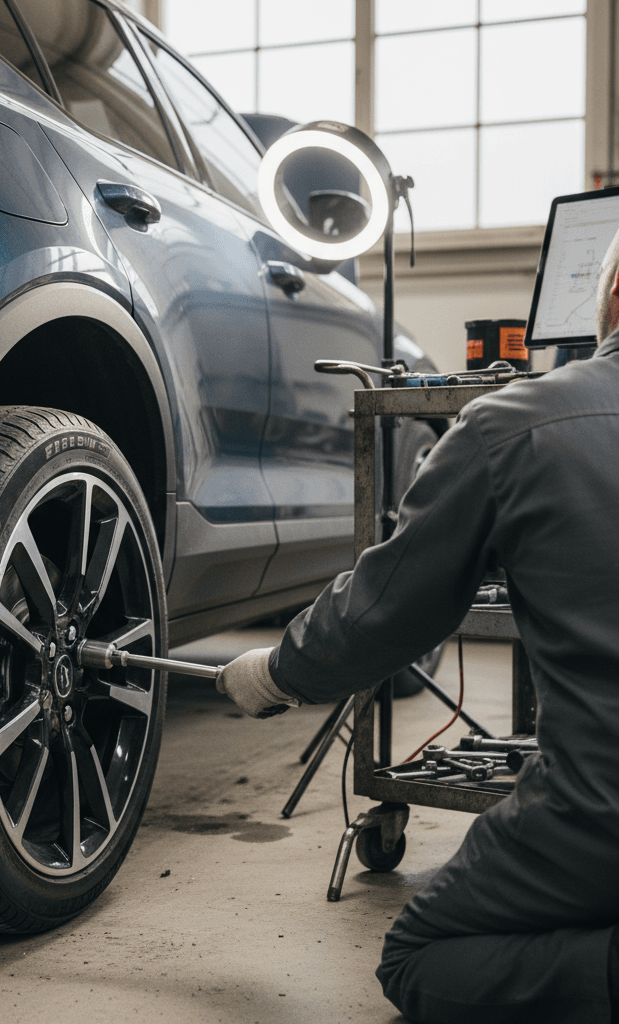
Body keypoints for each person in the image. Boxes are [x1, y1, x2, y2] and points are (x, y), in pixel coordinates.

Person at [216, 227, 619, 1023]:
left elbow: (385, 614)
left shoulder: (514, 424)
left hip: (601, 814)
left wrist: (276, 673)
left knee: (417, 959)